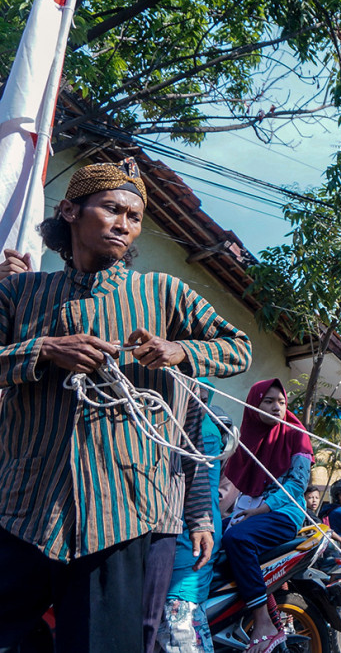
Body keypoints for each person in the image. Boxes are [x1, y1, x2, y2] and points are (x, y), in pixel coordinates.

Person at [0, 159, 252, 652]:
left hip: (119, 511)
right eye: (112, 209)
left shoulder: (163, 292)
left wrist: (181, 350)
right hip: (22, 508)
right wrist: (46, 349)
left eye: (134, 217)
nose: (125, 225)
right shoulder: (18, 293)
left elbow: (237, 346)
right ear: (70, 210)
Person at [220, 379, 313, 653]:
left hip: (283, 513)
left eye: (281, 403)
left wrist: (259, 510)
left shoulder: (297, 435)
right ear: (253, 405)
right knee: (210, 538)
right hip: (250, 509)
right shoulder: (246, 438)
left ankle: (263, 623)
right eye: (268, 401)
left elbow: (297, 484)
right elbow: (230, 485)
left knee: (238, 539)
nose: (276, 408)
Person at [158, 379, 223, 653]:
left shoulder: (191, 431)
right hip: (188, 536)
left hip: (189, 541)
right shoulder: (206, 427)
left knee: (179, 627)